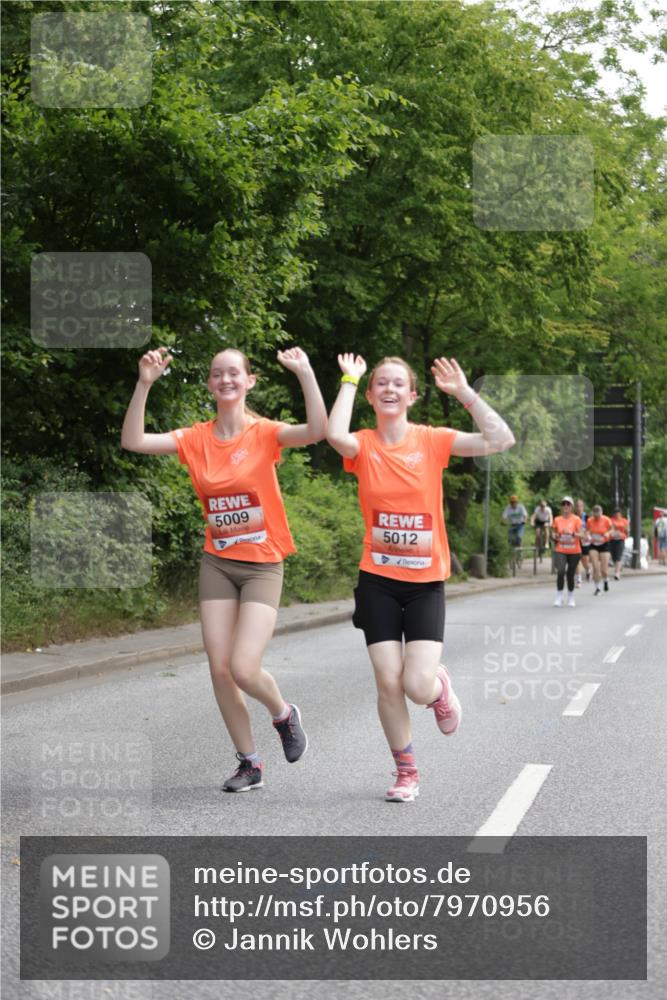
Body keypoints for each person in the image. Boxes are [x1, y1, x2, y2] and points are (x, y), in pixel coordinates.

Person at [121, 345, 327, 792]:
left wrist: (306, 373)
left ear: (249, 381)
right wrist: (144, 384)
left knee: (244, 667)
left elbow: (317, 429)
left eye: (234, 372)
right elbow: (133, 442)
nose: (226, 379)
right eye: (217, 373)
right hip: (218, 561)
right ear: (211, 384)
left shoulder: (265, 433)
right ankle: (250, 764)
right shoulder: (195, 438)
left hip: (261, 565)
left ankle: (284, 714)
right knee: (219, 669)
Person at [327, 354, 515, 803]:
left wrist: (464, 392)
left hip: (426, 581)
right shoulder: (363, 444)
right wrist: (350, 379)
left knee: (415, 686)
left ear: (412, 396)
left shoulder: (431, 441)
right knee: (388, 682)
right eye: (380, 384)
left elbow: (501, 439)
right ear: (371, 396)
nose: (389, 389)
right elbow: (333, 434)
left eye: (398, 384)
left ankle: (438, 688)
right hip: (378, 580)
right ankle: (406, 771)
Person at [551, 496, 584, 607]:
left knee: (570, 574)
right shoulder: (557, 519)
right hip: (561, 549)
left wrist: (572, 533)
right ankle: (559, 596)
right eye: (563, 504)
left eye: (568, 504)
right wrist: (555, 535)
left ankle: (571, 597)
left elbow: (582, 535)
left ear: (572, 507)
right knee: (560, 571)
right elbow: (553, 534)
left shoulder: (576, 519)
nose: (565, 506)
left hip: (574, 550)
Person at [586, 504, 612, 594]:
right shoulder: (590, 520)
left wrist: (608, 533)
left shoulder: (606, 520)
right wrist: (588, 536)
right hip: (593, 544)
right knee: (595, 567)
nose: (597, 517)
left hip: (604, 544)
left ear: (602, 513)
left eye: (598, 515)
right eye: (595, 515)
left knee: (604, 570)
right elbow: (587, 531)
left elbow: (612, 529)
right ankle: (597, 588)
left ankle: (605, 580)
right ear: (593, 514)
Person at [609, 507, 629, 579]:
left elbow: (627, 530)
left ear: (620, 514)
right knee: (614, 556)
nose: (617, 515)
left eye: (618, 513)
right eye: (616, 513)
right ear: (614, 514)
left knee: (618, 556)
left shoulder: (624, 521)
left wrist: (626, 532)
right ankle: (618, 568)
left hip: (620, 539)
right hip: (612, 539)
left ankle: (617, 573)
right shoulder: (610, 520)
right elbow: (608, 529)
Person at [574, 498, 590, 588]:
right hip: (576, 541)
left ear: (583, 507)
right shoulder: (573, 517)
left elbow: (590, 528)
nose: (579, 508)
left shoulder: (587, 517)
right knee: (577, 560)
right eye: (577, 506)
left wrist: (586, 534)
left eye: (580, 506)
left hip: (585, 541)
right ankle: (579, 580)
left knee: (585, 562)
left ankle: (588, 570)